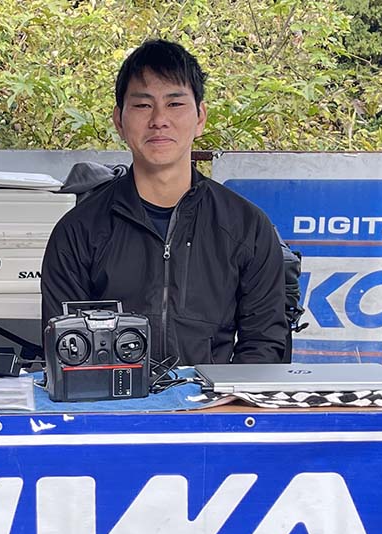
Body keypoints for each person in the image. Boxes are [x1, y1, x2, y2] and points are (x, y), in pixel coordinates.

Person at [41, 39, 286, 365]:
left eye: (175, 104)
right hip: (111, 397)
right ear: (119, 120)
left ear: (200, 117)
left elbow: (264, 346)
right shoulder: (78, 231)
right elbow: (65, 351)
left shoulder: (246, 227)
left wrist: (215, 396)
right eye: (143, 105)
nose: (159, 119)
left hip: (211, 398)